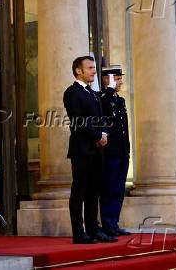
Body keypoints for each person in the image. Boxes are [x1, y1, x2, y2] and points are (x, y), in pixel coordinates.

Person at [63, 56, 118, 244]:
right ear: (79, 71)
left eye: (94, 67)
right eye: (90, 68)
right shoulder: (72, 92)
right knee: (79, 192)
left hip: (96, 149)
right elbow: (78, 121)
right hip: (82, 149)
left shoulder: (93, 93)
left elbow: (100, 117)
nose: (94, 71)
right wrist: (97, 137)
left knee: (94, 191)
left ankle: (94, 229)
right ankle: (79, 233)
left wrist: (103, 134)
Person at [100, 65, 131, 237]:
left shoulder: (120, 100)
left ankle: (114, 221)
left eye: (120, 79)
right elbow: (103, 108)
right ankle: (107, 224)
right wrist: (110, 90)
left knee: (119, 189)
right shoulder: (103, 98)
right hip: (110, 153)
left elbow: (123, 128)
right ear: (107, 80)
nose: (120, 82)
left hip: (122, 151)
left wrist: (127, 150)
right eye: (117, 79)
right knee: (108, 188)